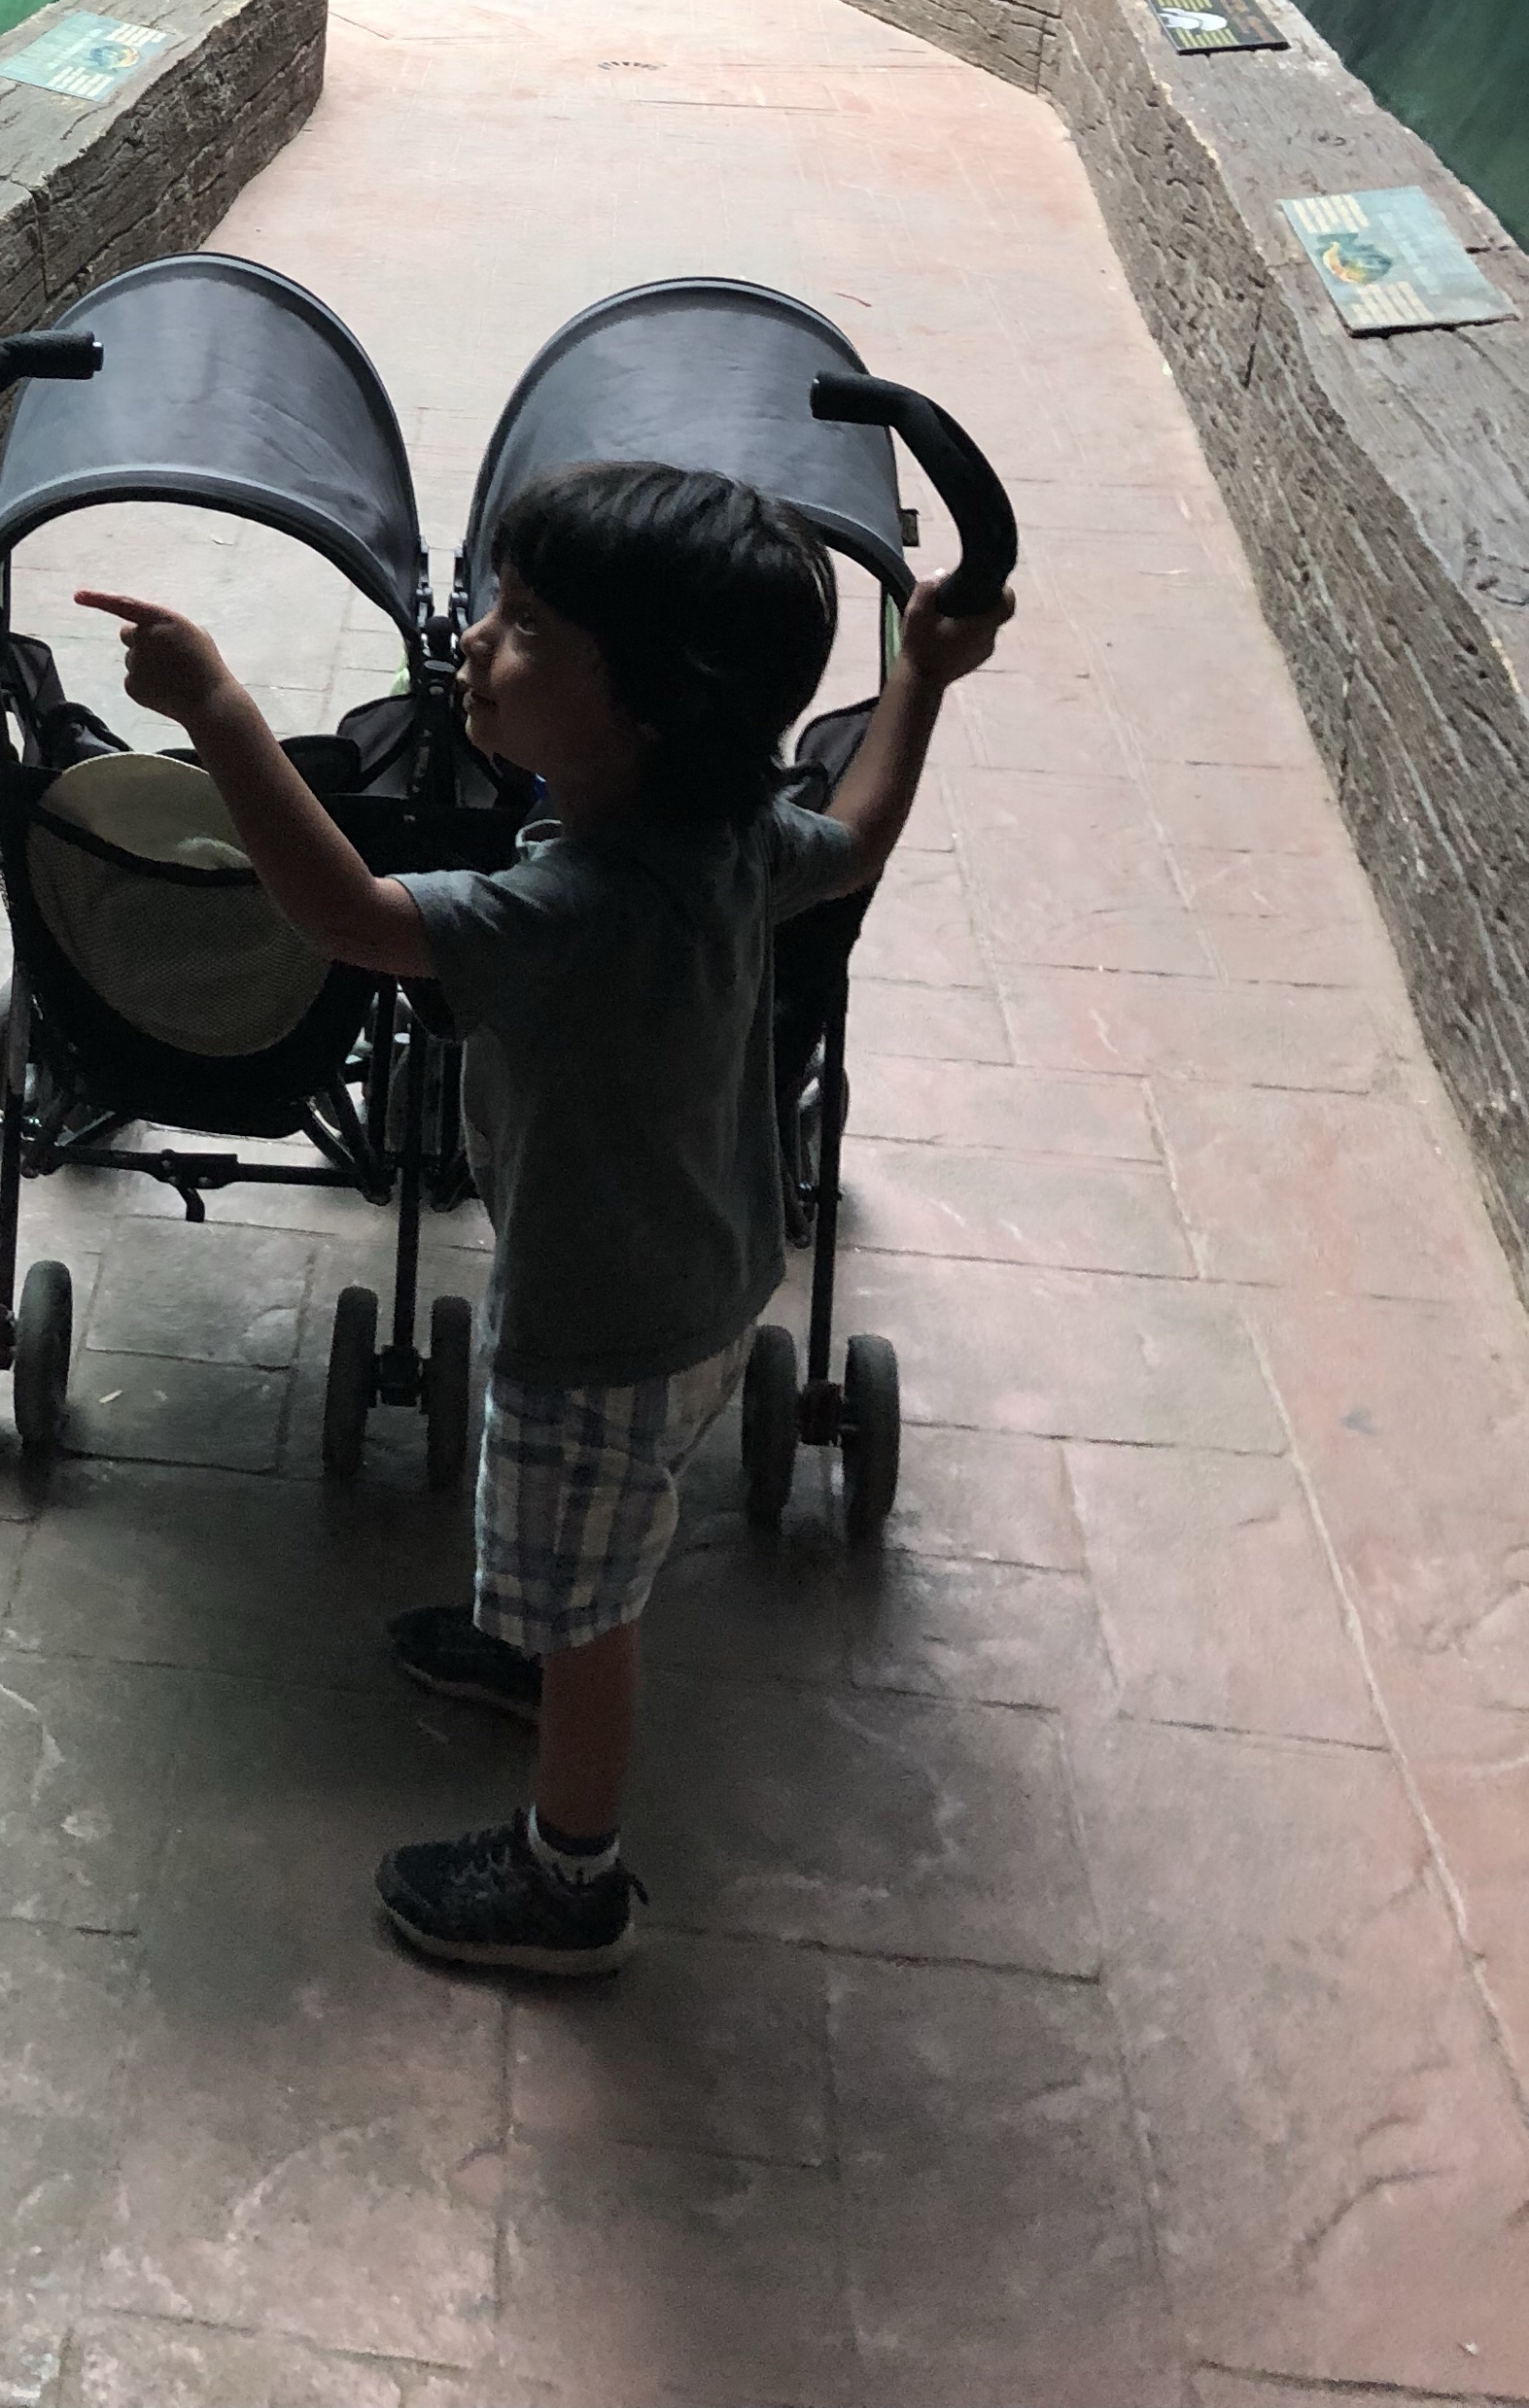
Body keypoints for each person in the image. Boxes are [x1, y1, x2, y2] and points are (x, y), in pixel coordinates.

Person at [81, 456, 1009, 1977]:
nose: (475, 645)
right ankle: (530, 1632)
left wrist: (224, 717)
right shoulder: (727, 838)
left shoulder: (574, 906)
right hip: (707, 1276)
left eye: (523, 628)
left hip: (600, 1330)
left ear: (648, 706)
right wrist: (922, 678)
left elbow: (352, 919)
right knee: (582, 1549)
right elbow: (860, 834)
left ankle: (568, 1877)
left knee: (594, 1607)